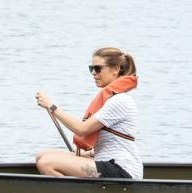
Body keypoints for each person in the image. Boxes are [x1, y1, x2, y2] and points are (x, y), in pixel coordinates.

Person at [34, 47, 143, 179]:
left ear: (116, 69)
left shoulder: (120, 100)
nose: (93, 73)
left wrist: (51, 106)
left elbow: (81, 129)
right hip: (105, 161)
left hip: (122, 169)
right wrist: (88, 153)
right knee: (42, 155)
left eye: (97, 68)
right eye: (91, 69)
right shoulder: (110, 98)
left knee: (47, 163)